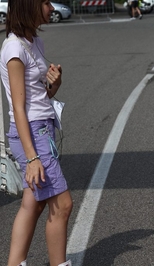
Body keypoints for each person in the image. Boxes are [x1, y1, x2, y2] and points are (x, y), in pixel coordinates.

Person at [0, 0, 73, 265]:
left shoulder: (34, 43)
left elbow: (37, 97)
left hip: (43, 128)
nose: (51, 7)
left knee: (33, 204)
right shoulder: (14, 48)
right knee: (62, 205)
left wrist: (55, 84)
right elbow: (18, 108)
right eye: (45, 2)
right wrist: (32, 159)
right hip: (31, 133)